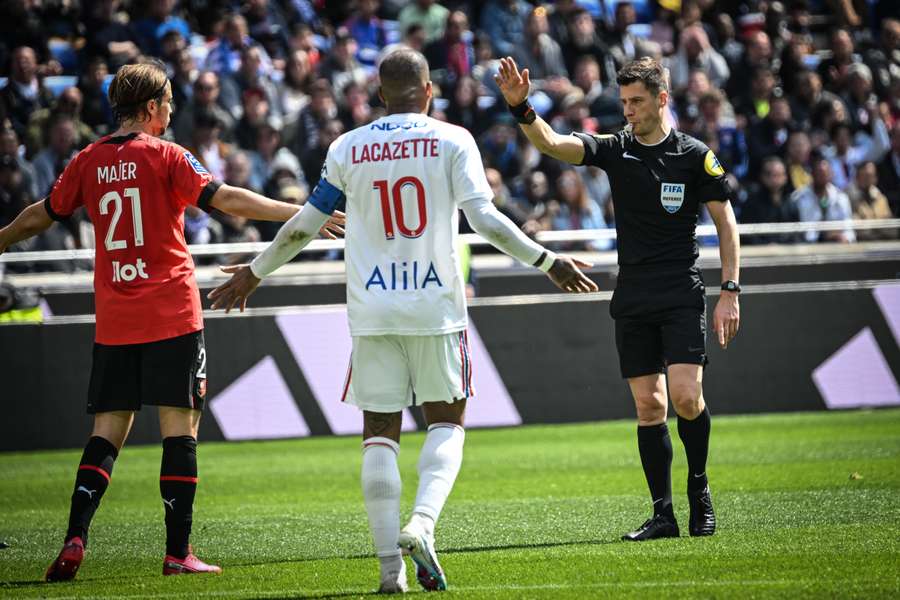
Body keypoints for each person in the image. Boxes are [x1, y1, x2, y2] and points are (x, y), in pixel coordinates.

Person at [207, 49, 597, 593]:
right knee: (447, 422)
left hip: (372, 310)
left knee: (379, 434)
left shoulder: (348, 147)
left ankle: (391, 574)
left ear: (379, 95)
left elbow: (304, 225)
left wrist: (254, 271)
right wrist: (547, 261)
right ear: (429, 91)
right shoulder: (453, 138)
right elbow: (484, 219)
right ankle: (423, 523)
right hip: (435, 306)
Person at [0, 59, 343, 582]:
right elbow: (225, 198)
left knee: (106, 433)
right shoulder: (167, 155)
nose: (170, 111)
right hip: (172, 313)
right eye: (167, 103)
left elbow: (41, 213)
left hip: (115, 317)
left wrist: (0, 239)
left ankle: (75, 536)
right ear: (154, 106)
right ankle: (178, 552)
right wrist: (303, 216)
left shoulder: (87, 161)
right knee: (179, 431)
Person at [494, 56, 741, 541]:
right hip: (632, 293)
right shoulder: (615, 148)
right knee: (650, 407)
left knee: (687, 398)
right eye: (624, 101)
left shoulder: (695, 155)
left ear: (661, 100)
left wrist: (730, 290)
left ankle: (699, 487)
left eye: (636, 102)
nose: (627, 110)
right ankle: (663, 513)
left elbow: (726, 223)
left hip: (680, 290)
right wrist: (522, 108)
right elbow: (552, 143)